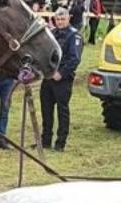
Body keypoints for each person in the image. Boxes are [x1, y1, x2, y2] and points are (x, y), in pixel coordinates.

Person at [40, 9, 83, 151]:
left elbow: (74, 59)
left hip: (62, 80)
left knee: (62, 111)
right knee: (46, 110)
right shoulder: (52, 34)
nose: (60, 22)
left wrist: (61, 73)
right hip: (48, 78)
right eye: (58, 20)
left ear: (68, 19)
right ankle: (45, 140)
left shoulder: (74, 35)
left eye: (62, 19)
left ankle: (60, 143)